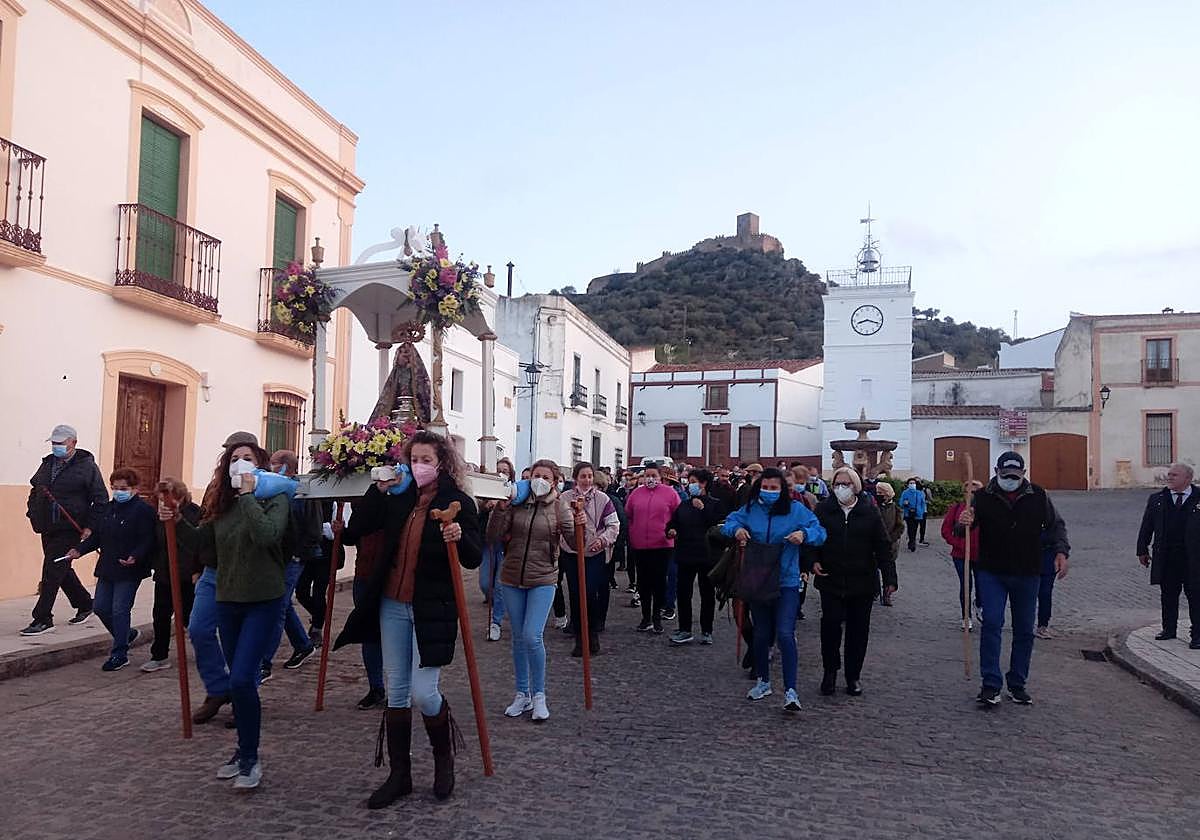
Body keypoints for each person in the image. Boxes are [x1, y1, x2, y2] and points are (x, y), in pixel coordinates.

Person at [334, 431, 482, 807]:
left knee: (423, 691)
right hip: (392, 604)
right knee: (397, 690)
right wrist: (379, 489)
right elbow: (357, 530)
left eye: (426, 460)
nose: (419, 466)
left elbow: (473, 557)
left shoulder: (459, 502)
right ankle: (399, 775)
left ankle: (443, 760)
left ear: (442, 463)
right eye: (414, 459)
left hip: (432, 607)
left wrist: (458, 534)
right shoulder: (401, 501)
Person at [160, 435, 290, 790]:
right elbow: (202, 542)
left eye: (247, 458)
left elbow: (267, 536)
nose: (240, 464)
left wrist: (248, 495)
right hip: (229, 598)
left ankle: (251, 759)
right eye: (234, 459)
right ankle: (243, 752)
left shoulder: (275, 499)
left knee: (242, 679)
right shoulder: (223, 503)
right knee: (240, 680)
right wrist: (173, 520)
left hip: (263, 599)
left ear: (260, 464)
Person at [957, 451, 1069, 707]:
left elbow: (1056, 526)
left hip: (1028, 572)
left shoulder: (1039, 496)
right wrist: (965, 521)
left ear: (1024, 474)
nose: (1011, 479)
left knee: (1024, 630)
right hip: (991, 571)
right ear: (997, 472)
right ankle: (990, 684)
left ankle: (1017, 683)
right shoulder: (982, 497)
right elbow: (962, 529)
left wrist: (1061, 551)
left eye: (1016, 476)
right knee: (992, 624)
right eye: (1006, 475)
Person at [722, 467, 826, 711]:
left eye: (774, 488)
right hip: (758, 578)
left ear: (782, 490)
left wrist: (804, 534)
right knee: (760, 633)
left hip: (786, 581)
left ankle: (791, 690)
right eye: (765, 488)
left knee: (785, 633)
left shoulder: (796, 510)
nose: (769, 492)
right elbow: (729, 522)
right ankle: (763, 681)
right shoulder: (750, 509)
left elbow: (820, 532)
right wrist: (736, 530)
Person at [486, 458, 567, 722]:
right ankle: (522, 693)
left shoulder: (559, 507)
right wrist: (500, 509)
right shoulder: (518, 503)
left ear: (554, 482)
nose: (539, 480)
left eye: (546, 476)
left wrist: (579, 521)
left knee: (533, 636)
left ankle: (540, 694)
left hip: (543, 578)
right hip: (511, 577)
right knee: (519, 638)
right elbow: (493, 535)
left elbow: (577, 538)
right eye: (536, 475)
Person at [808, 468, 895, 698]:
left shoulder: (869, 512)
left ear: (855, 486)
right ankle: (830, 672)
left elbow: (883, 546)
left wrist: (889, 579)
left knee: (858, 632)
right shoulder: (824, 509)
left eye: (846, 483)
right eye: (838, 483)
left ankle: (853, 675)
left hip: (862, 581)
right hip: (831, 579)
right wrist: (813, 561)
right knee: (830, 628)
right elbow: (813, 538)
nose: (841, 487)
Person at [66, 468, 156, 670]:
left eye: (123, 488)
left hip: (129, 568)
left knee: (119, 609)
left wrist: (136, 555)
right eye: (115, 488)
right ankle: (126, 634)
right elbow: (97, 536)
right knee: (100, 607)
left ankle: (120, 653)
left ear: (134, 489)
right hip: (107, 566)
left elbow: (148, 538)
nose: (118, 492)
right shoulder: (108, 509)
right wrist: (79, 550)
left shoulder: (144, 511)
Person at [22, 424, 105, 635]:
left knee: (51, 569)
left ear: (73, 443)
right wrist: (32, 511)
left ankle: (42, 618)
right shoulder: (47, 464)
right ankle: (86, 603)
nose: (56, 447)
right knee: (61, 568)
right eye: (54, 443)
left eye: (60, 443)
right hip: (46, 525)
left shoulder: (87, 467)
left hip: (70, 527)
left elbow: (101, 500)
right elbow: (36, 488)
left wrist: (90, 527)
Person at [258, 450, 317, 682]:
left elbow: (312, 529)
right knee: (283, 605)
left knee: (277, 608)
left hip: (293, 558)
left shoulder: (302, 491)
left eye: (274, 463)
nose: (271, 467)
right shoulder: (274, 487)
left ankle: (264, 662)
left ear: (285, 466)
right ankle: (303, 644)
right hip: (276, 557)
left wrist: (297, 555)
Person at [336, 480, 389, 710]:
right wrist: (342, 531)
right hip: (365, 574)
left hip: (391, 576)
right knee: (369, 634)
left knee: (398, 634)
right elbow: (355, 532)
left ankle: (402, 689)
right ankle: (376, 687)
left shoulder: (401, 494)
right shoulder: (363, 497)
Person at [559, 462, 620, 657]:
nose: (587, 480)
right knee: (576, 594)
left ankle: (592, 634)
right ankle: (579, 637)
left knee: (589, 593)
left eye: (590, 476)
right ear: (575, 478)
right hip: (571, 552)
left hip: (594, 553)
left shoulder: (603, 499)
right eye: (583, 476)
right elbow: (558, 521)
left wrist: (602, 541)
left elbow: (613, 525)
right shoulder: (565, 498)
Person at [142, 478, 202, 672]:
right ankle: (159, 656)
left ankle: (205, 651)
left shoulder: (194, 513)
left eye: (166, 498)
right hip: (164, 574)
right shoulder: (157, 515)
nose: (163, 503)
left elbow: (198, 544)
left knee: (190, 618)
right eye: (160, 499)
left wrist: (196, 570)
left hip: (187, 575)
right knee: (160, 616)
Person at [1137, 462, 1200, 647]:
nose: (1169, 478)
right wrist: (1142, 549)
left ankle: (1197, 635)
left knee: (1196, 596)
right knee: (1168, 594)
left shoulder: (1198, 498)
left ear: (1188, 479)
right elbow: (1147, 525)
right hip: (1167, 556)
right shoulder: (1158, 499)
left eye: (1174, 475)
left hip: (1194, 558)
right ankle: (1169, 628)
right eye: (1169, 474)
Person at [666, 469, 724, 645]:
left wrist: (704, 509)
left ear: (703, 483)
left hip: (707, 556)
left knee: (707, 594)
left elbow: (719, 527)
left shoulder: (715, 504)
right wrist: (670, 530)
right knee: (684, 593)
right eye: (689, 481)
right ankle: (685, 629)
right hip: (685, 554)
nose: (689, 484)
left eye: (692, 481)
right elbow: (673, 522)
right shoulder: (684, 504)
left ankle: (707, 630)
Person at [626, 463, 681, 634]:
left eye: (653, 476)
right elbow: (629, 514)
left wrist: (672, 530)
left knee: (658, 582)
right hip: (640, 544)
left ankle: (657, 617)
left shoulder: (670, 493)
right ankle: (645, 617)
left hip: (662, 544)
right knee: (643, 583)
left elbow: (678, 515)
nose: (650, 479)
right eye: (647, 475)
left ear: (660, 477)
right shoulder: (636, 493)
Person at [478, 457, 515, 642]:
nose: (502, 473)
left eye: (505, 471)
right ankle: (492, 599)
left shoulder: (514, 495)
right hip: (487, 543)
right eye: (499, 470)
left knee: (500, 585)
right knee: (485, 583)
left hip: (505, 545)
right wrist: (485, 507)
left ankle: (496, 621)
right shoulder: (484, 492)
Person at [942, 480, 983, 630]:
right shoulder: (956, 509)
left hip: (980, 556)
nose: (971, 495)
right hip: (961, 555)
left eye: (975, 492)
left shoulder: (984, 510)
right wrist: (958, 543)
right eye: (968, 491)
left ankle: (979, 604)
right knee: (966, 585)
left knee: (982, 585)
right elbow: (946, 530)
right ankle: (966, 617)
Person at [873, 481, 904, 607]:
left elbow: (900, 526)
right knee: (873, 569)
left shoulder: (895, 508)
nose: (879, 495)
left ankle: (887, 593)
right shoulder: (874, 507)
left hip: (890, 546)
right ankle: (874, 591)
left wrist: (890, 539)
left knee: (889, 572)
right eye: (877, 492)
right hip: (875, 544)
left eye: (881, 493)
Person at [899, 477, 927, 552]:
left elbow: (922, 503)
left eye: (913, 483)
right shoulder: (905, 492)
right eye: (910, 483)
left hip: (917, 514)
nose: (912, 484)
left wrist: (921, 512)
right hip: (908, 513)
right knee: (910, 527)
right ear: (908, 485)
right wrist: (904, 503)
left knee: (915, 528)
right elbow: (900, 503)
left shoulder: (919, 493)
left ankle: (912, 540)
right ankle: (912, 542)